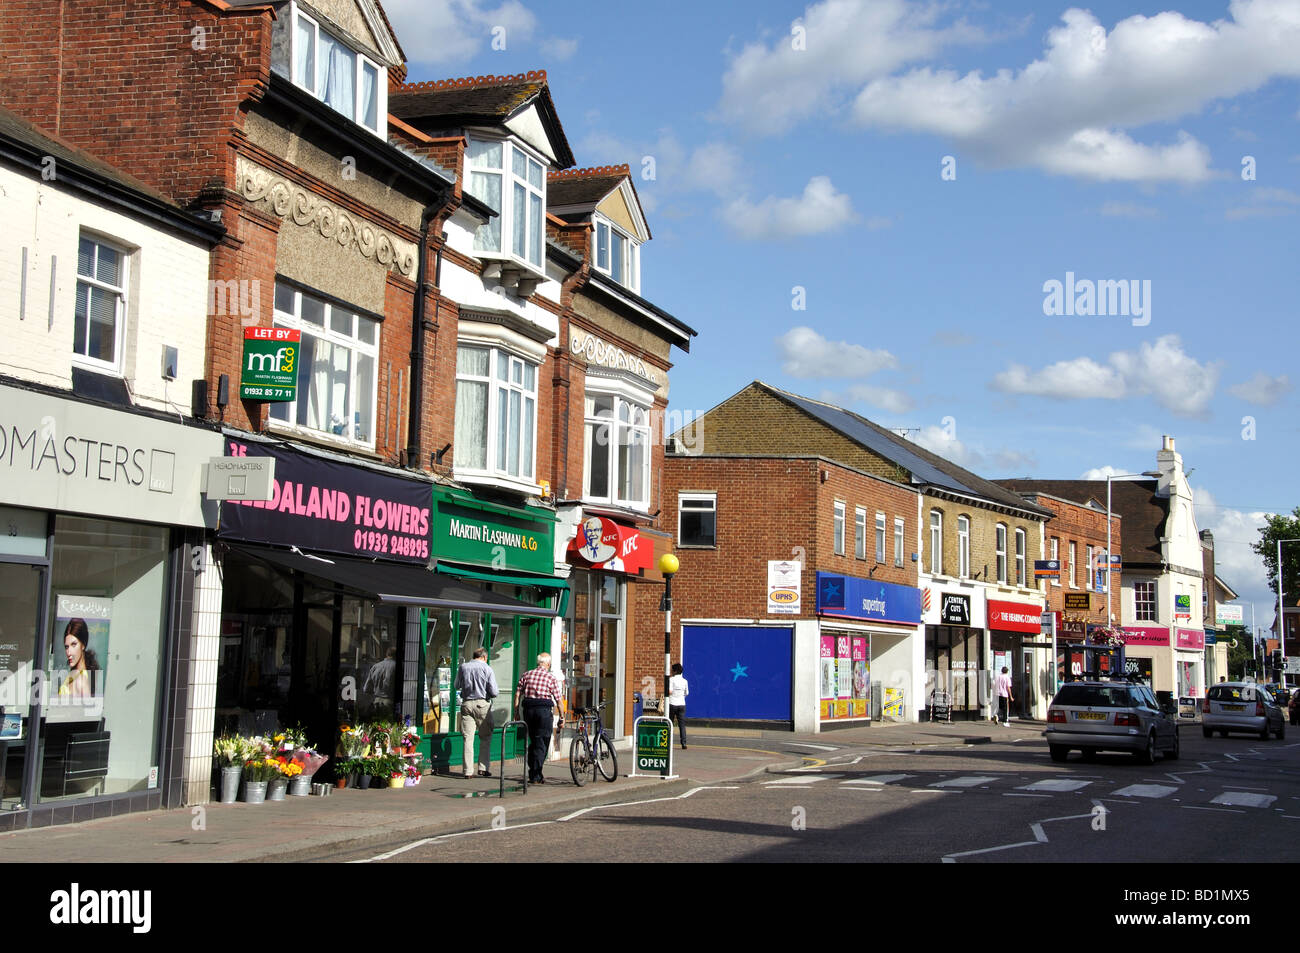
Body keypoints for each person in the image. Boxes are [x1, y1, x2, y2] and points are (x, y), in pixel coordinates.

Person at [515, 652, 563, 784]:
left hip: (528, 711)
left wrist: (516, 712)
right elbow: (559, 700)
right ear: (547, 664)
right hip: (543, 712)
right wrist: (562, 718)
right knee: (543, 741)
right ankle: (536, 774)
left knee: (535, 740)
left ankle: (534, 772)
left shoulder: (526, 674)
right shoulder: (550, 678)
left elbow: (518, 693)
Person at [456, 647, 498, 778]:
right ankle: (483, 768)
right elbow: (494, 691)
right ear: (484, 657)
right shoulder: (487, 668)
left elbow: (456, 685)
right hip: (482, 704)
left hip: (466, 704)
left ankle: (468, 771)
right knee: (485, 737)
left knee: (468, 739)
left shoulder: (463, 667)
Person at [59, 618, 100, 699]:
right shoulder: (74, 674)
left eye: (74, 644)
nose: (68, 652)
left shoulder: (82, 681)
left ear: (83, 645)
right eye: (66, 647)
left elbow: (86, 711)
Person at [363, 647, 397, 718]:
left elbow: (366, 688)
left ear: (386, 654)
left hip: (376, 702)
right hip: (390, 703)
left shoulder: (375, 666)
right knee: (388, 727)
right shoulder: (395, 666)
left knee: (376, 726)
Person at [667, 663, 689, 749]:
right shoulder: (685, 681)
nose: (671, 671)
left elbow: (670, 691)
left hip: (672, 703)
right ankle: (683, 743)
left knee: (670, 723)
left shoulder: (671, 680)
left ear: (675, 671)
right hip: (682, 704)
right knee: (682, 725)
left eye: (672, 670)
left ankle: (668, 742)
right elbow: (687, 693)